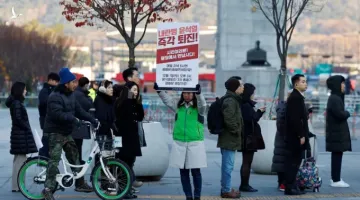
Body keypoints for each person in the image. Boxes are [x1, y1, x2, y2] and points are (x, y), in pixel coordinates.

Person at [42, 68, 98, 200]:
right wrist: (73, 119)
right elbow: (57, 114)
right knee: (54, 161)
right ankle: (48, 189)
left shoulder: (71, 95)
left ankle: (80, 183)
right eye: (73, 82)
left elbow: (79, 110)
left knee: (74, 156)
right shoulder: (54, 96)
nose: (75, 84)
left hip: (66, 132)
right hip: (54, 132)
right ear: (66, 83)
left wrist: (92, 119)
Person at [155, 83, 207, 200]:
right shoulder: (178, 106)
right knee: (183, 173)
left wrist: (199, 94)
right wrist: (159, 91)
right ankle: (188, 196)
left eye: (189, 93)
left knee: (196, 172)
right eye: (185, 93)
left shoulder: (199, 108)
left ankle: (197, 196)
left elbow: (202, 103)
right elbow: (167, 100)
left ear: (193, 94)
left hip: (195, 143)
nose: (187, 95)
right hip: (179, 143)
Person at [115, 81, 144, 199]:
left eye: (137, 90)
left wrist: (138, 103)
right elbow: (119, 117)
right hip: (123, 138)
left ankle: (127, 189)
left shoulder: (135, 103)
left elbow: (140, 116)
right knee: (123, 164)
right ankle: (122, 190)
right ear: (127, 90)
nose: (135, 92)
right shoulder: (122, 102)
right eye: (133, 89)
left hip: (132, 138)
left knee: (130, 164)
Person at [6, 82, 38, 192]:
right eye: (24, 89)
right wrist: (27, 128)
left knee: (18, 160)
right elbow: (18, 119)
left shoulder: (16, 103)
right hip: (20, 135)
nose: (26, 91)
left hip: (18, 134)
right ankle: (18, 186)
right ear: (20, 90)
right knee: (21, 161)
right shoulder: (17, 104)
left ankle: (17, 185)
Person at [217, 77, 244, 199]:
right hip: (229, 138)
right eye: (241, 85)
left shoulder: (233, 99)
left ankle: (226, 188)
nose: (243, 87)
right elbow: (229, 118)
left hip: (229, 138)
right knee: (228, 166)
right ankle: (226, 190)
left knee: (228, 165)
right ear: (235, 88)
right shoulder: (230, 101)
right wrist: (237, 130)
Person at [284, 74, 308, 196]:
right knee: (293, 162)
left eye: (305, 81)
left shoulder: (297, 97)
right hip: (295, 136)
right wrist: (301, 135)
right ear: (296, 84)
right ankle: (290, 187)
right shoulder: (295, 98)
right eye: (303, 82)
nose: (306, 84)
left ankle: (292, 185)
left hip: (295, 135)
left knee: (295, 161)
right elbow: (294, 119)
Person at [239, 83, 265, 192]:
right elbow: (252, 119)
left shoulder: (244, 103)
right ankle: (244, 185)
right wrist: (260, 111)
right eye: (253, 93)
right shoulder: (246, 105)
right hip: (248, 137)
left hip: (246, 136)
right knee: (247, 162)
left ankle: (244, 184)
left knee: (246, 162)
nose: (253, 95)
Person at [326, 75, 351, 187]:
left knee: (337, 155)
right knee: (337, 155)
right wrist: (347, 113)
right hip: (336, 132)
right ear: (337, 84)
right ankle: (336, 180)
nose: (343, 85)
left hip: (336, 132)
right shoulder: (335, 99)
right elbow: (340, 114)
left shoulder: (335, 97)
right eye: (341, 83)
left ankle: (335, 178)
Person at [122, 67, 146, 188]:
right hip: (127, 135)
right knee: (126, 159)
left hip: (135, 131)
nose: (139, 78)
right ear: (129, 78)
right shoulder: (123, 97)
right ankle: (127, 183)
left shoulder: (135, 96)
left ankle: (130, 181)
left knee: (131, 159)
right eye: (136, 75)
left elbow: (140, 116)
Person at [271, 90, 292, 192]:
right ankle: (282, 183)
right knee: (283, 161)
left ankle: (281, 183)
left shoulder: (282, 107)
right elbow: (282, 124)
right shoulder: (286, 108)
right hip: (284, 139)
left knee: (280, 160)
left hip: (280, 138)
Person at [38, 73, 60, 158]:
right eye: (55, 81)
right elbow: (44, 103)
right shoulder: (44, 91)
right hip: (45, 119)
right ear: (50, 80)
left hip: (51, 120)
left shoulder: (53, 90)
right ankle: (43, 156)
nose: (57, 83)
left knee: (50, 140)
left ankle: (47, 157)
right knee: (46, 139)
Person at [72, 77, 94, 165]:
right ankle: (78, 163)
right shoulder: (80, 95)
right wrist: (89, 97)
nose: (88, 87)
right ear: (85, 85)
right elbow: (88, 105)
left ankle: (78, 161)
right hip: (77, 124)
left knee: (77, 144)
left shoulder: (77, 93)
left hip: (76, 123)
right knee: (78, 144)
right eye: (88, 85)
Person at [94, 80, 116, 162]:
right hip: (102, 132)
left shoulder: (110, 99)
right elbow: (101, 117)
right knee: (101, 153)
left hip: (109, 132)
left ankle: (106, 171)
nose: (112, 89)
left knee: (109, 154)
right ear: (102, 89)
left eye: (112, 87)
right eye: (109, 87)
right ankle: (99, 171)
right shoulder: (100, 99)